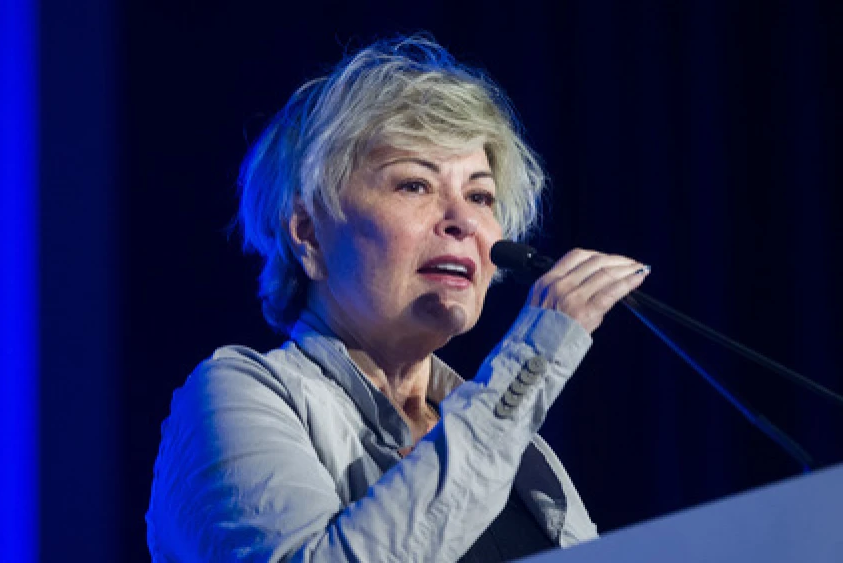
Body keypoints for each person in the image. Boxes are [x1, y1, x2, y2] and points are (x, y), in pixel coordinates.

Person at [146, 34, 648, 562]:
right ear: (309, 234)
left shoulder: (518, 448)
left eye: (479, 195)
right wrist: (534, 357)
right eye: (414, 185)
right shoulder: (235, 396)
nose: (463, 220)